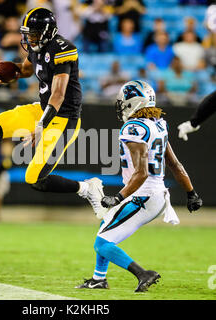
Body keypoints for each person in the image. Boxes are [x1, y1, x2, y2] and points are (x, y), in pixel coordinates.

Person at [0, 7, 108, 218]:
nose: (30, 39)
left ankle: (88, 188)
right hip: (43, 109)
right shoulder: (36, 47)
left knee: (35, 179)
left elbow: (59, 95)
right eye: (28, 34)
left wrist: (41, 125)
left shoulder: (62, 50)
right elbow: (25, 70)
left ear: (47, 32)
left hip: (63, 118)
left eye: (34, 34)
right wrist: (7, 70)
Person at [76, 80, 202, 292]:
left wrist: (118, 197)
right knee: (104, 227)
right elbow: (174, 164)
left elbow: (141, 173)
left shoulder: (134, 128)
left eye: (124, 101)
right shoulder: (158, 123)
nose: (121, 105)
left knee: (102, 243)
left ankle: (143, 274)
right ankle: (99, 279)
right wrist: (192, 193)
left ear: (134, 102)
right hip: (155, 194)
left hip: (142, 196)